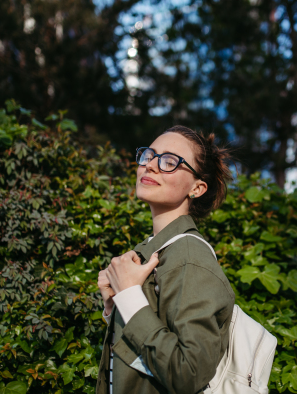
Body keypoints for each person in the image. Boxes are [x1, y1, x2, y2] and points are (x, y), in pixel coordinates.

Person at [95, 126, 235, 394]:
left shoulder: (189, 257)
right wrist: (116, 306)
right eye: (148, 155)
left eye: (170, 162)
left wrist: (130, 297)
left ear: (197, 188)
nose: (151, 166)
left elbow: (187, 373)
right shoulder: (154, 250)